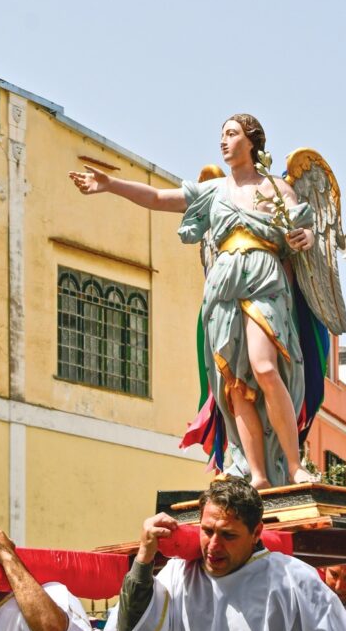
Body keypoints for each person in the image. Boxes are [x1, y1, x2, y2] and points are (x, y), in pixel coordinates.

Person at [69, 114, 317, 489]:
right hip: (222, 286)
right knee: (235, 382)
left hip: (265, 279)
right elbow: (156, 197)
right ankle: (259, 475)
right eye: (222, 134)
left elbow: (303, 233)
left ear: (252, 142)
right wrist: (110, 185)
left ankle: (295, 466)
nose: (224, 141)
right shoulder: (214, 191)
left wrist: (305, 238)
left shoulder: (277, 188)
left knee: (264, 367)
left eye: (232, 134)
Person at [103, 477, 346, 631]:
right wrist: (144, 557)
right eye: (207, 531)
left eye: (228, 535)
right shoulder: (180, 574)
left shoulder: (294, 581)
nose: (213, 545)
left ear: (256, 532)